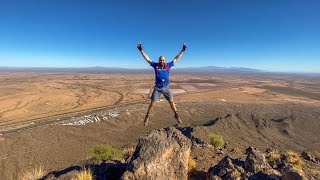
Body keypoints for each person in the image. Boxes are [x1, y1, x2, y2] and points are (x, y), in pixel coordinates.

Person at [137, 42, 187, 126]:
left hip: (166, 88)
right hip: (158, 88)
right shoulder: (155, 65)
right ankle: (147, 117)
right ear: (159, 60)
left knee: (172, 102)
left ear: (165, 61)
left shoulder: (168, 65)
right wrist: (141, 50)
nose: (162, 61)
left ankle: (176, 115)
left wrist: (183, 50)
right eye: (160, 60)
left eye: (163, 60)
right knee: (152, 103)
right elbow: (147, 58)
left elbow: (176, 59)